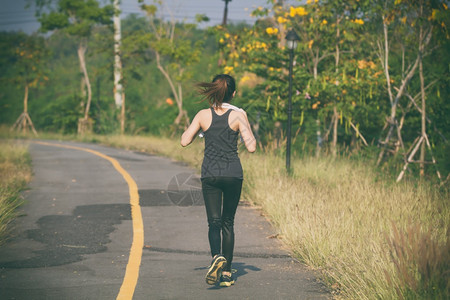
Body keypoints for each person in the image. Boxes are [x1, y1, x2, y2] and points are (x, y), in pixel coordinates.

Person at [181, 74, 256, 287]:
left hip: (211, 175)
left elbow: (184, 140)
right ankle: (227, 273)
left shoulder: (203, 115)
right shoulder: (238, 115)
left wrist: (200, 127)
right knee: (227, 222)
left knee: (213, 222)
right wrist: (245, 121)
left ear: (214, 91)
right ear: (233, 93)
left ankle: (216, 257)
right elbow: (251, 147)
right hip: (233, 174)